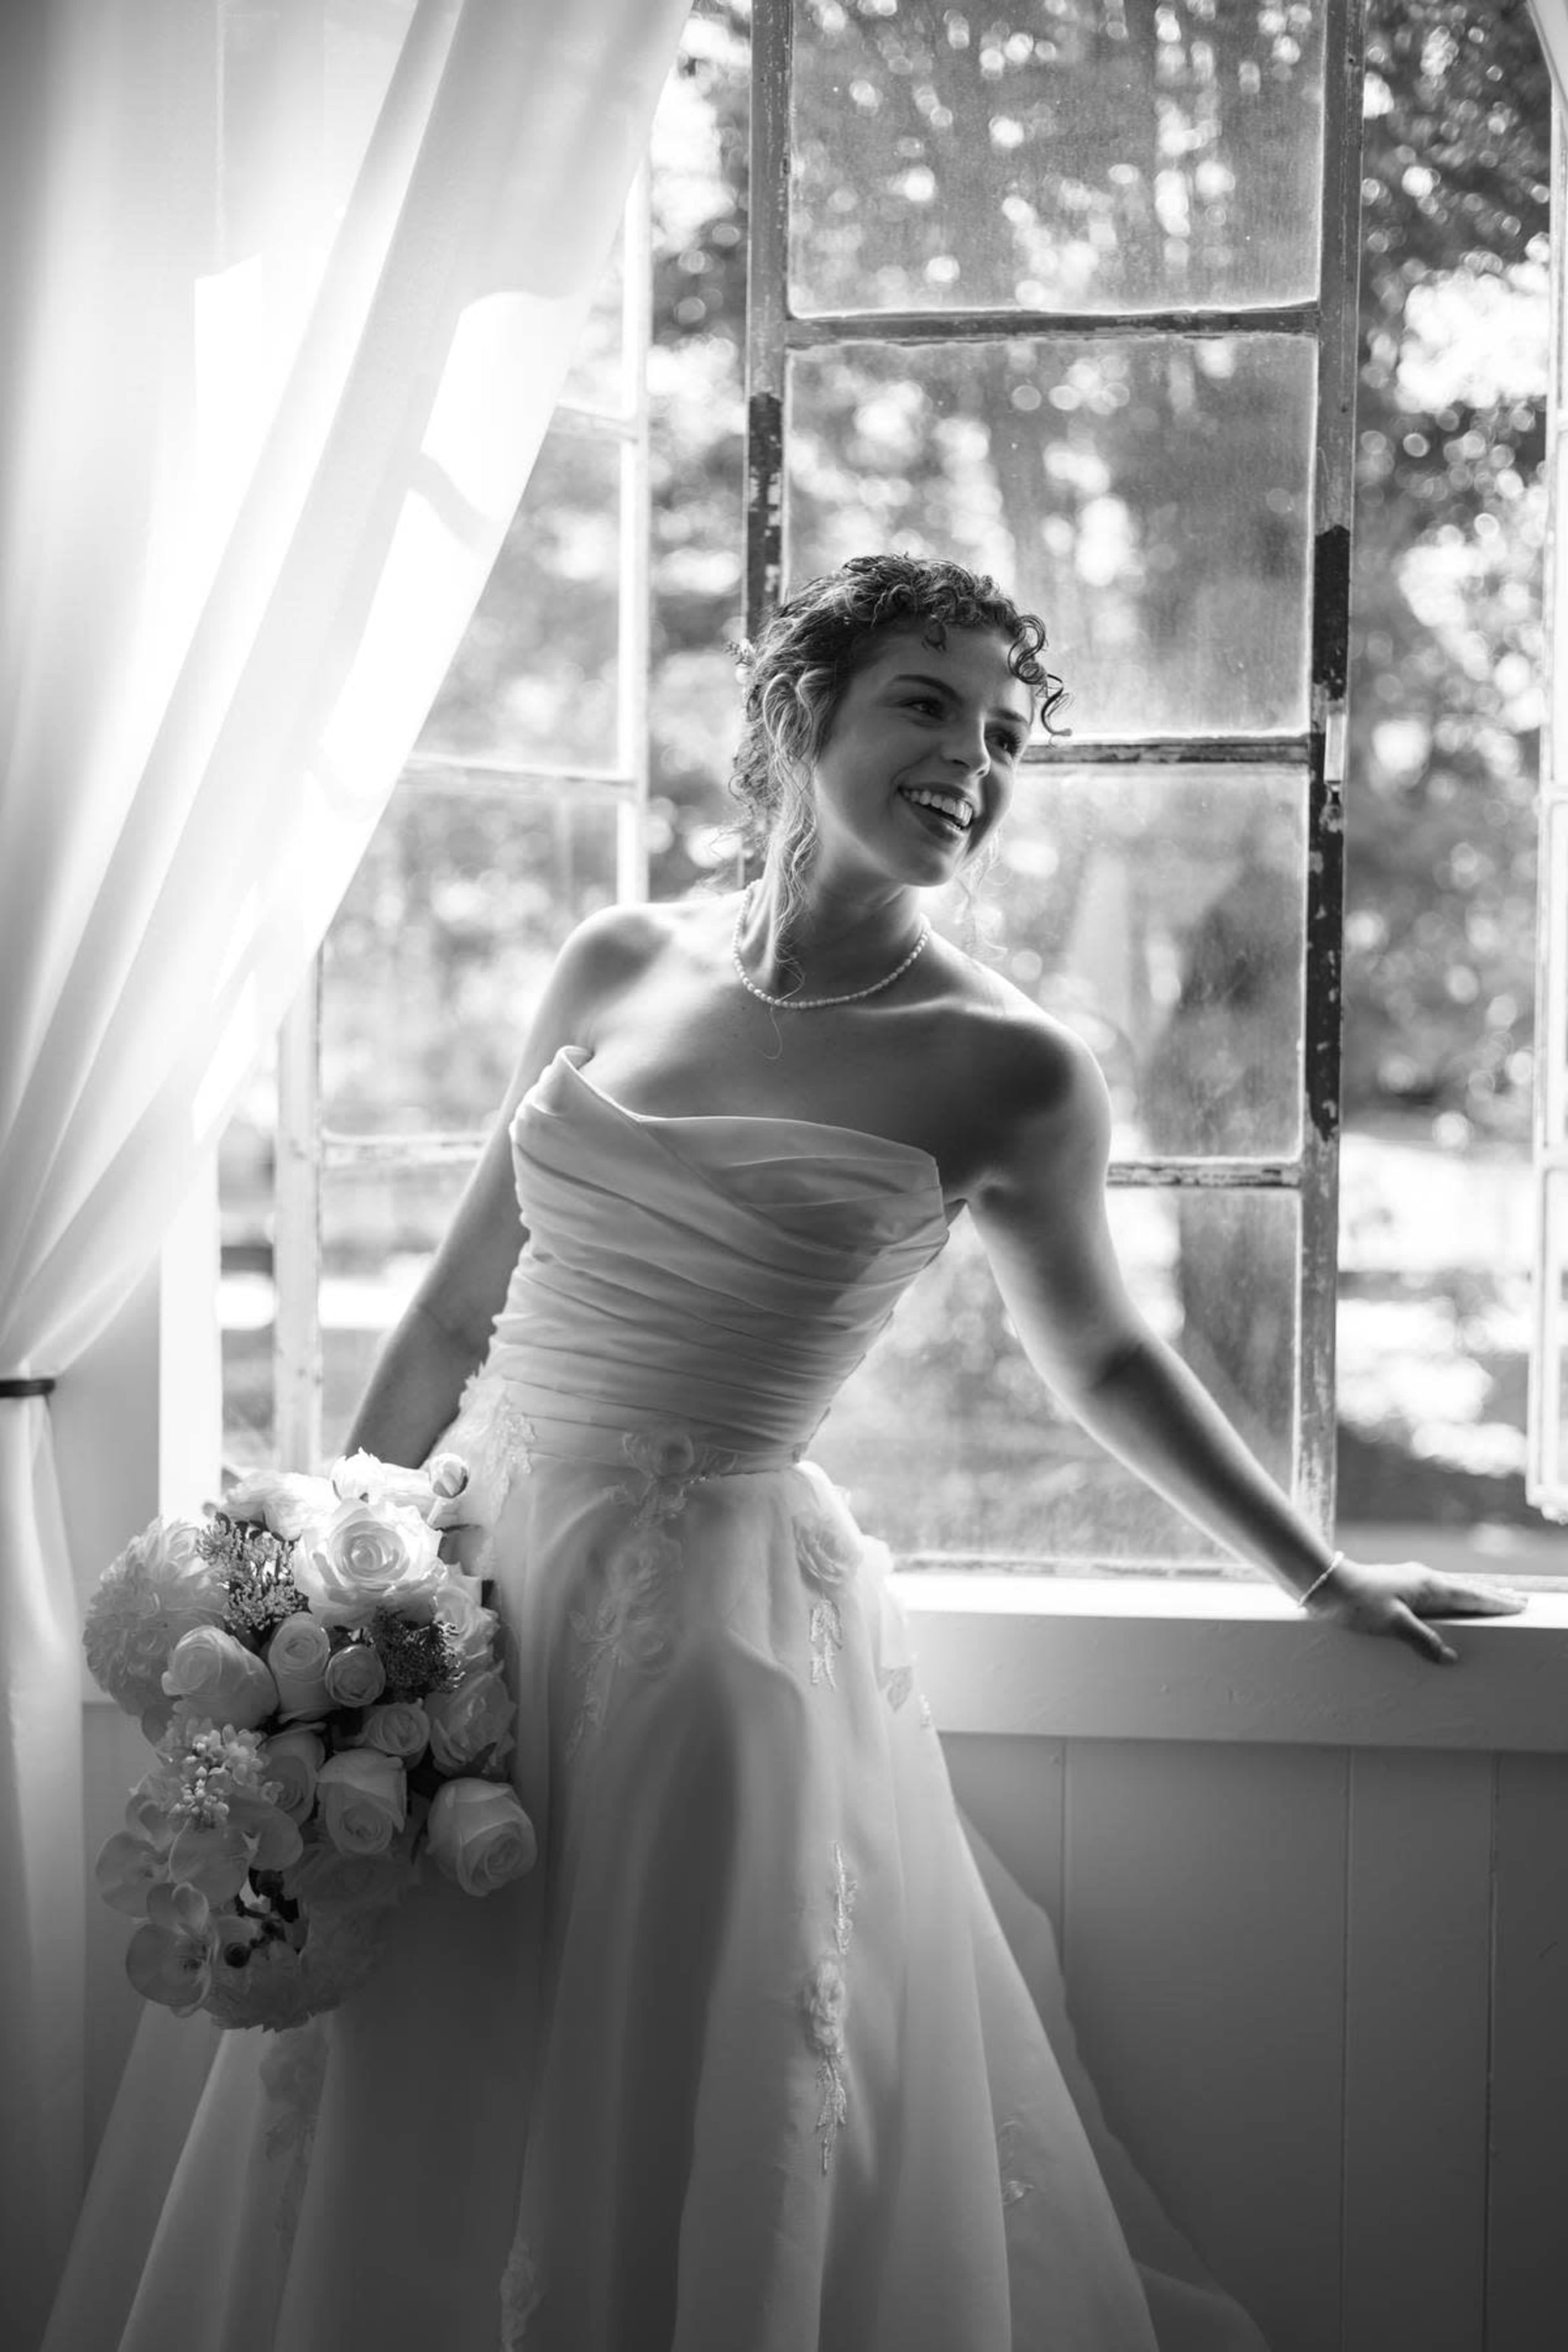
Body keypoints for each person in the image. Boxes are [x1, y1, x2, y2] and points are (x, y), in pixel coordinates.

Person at [45, 553, 1525, 2352]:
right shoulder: (617, 958)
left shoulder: (1011, 1065)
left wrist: (1316, 1568)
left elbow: (1111, 1358)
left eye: (1001, 737)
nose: (969, 763)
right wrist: (325, 1585)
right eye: (928, 704)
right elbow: (451, 1312)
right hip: (457, 1595)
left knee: (666, 2080)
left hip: (707, 1647)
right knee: (419, 2049)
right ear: (797, 712)